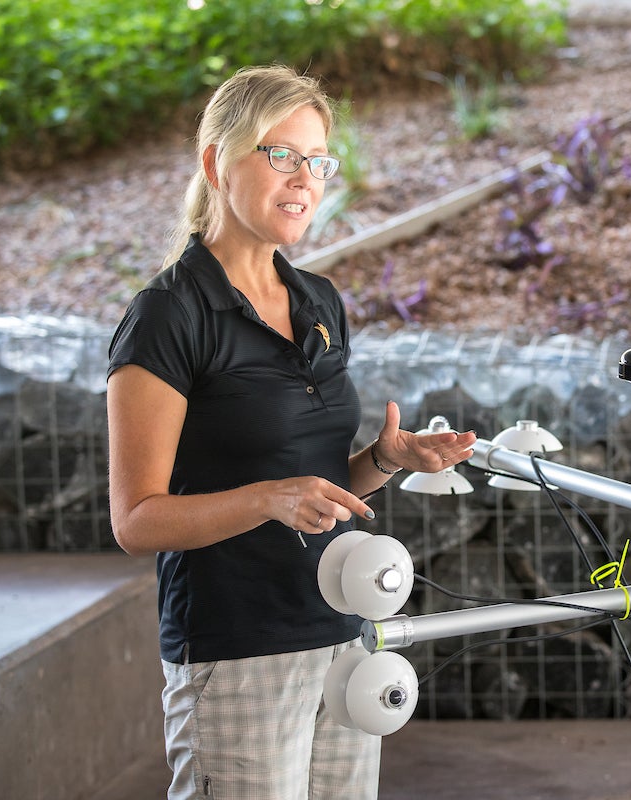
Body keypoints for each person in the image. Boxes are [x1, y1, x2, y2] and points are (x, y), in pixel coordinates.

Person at [106, 64, 476, 800]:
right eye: (280, 155)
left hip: (344, 629)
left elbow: (318, 484)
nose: (304, 178)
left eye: (317, 160)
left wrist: (381, 459)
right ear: (216, 163)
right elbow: (135, 520)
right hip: (236, 650)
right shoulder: (167, 316)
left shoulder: (318, 299)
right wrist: (266, 499)